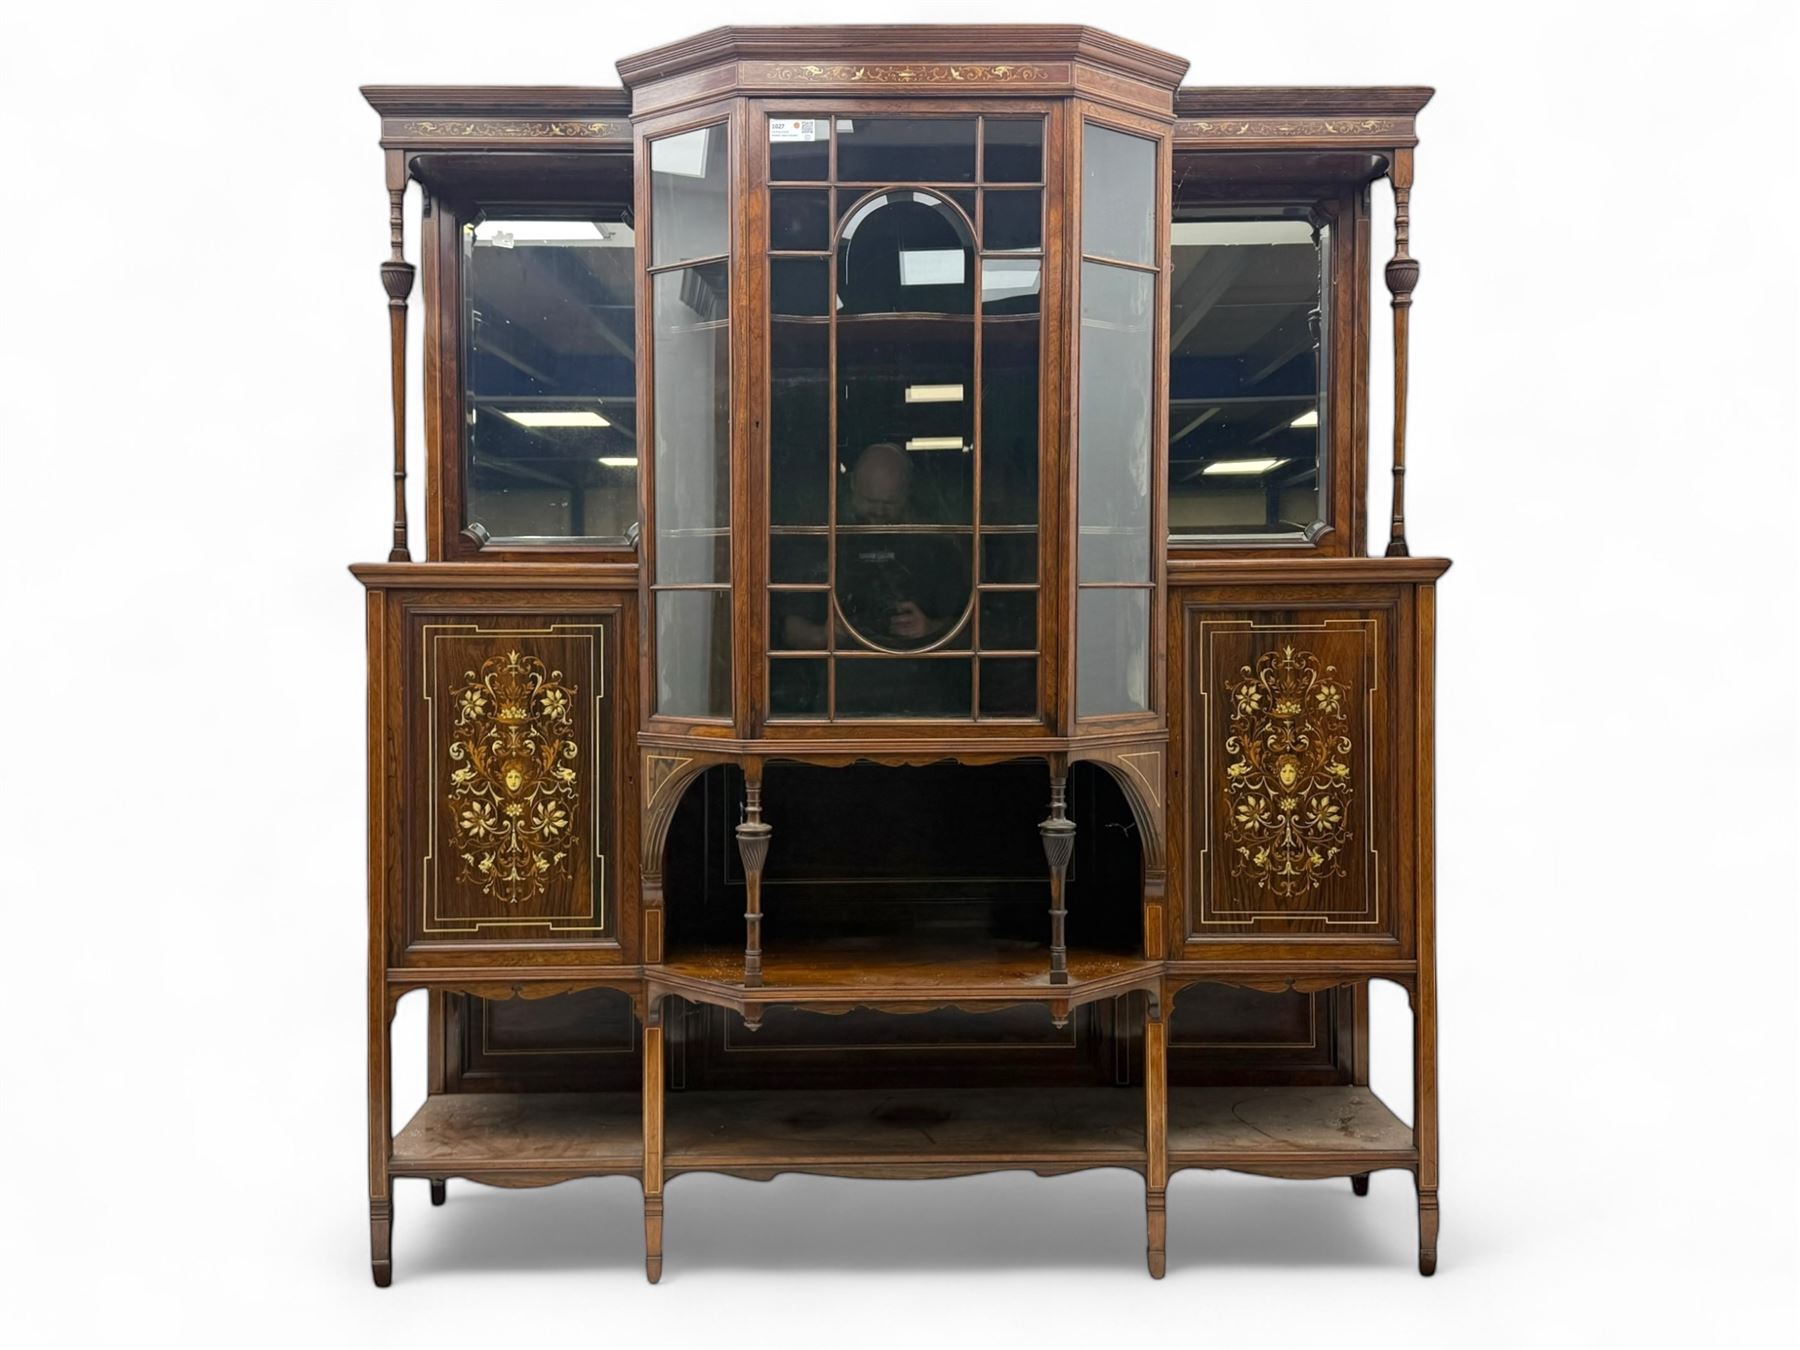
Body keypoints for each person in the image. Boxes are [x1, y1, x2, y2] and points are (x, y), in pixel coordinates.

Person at [781, 441, 967, 651]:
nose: (879, 512)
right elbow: (789, 630)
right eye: (869, 501)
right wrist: (823, 635)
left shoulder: (936, 546)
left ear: (907, 492)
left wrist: (931, 629)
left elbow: (972, 626)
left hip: (918, 672)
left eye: (889, 504)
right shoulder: (823, 541)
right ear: (852, 485)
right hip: (838, 674)